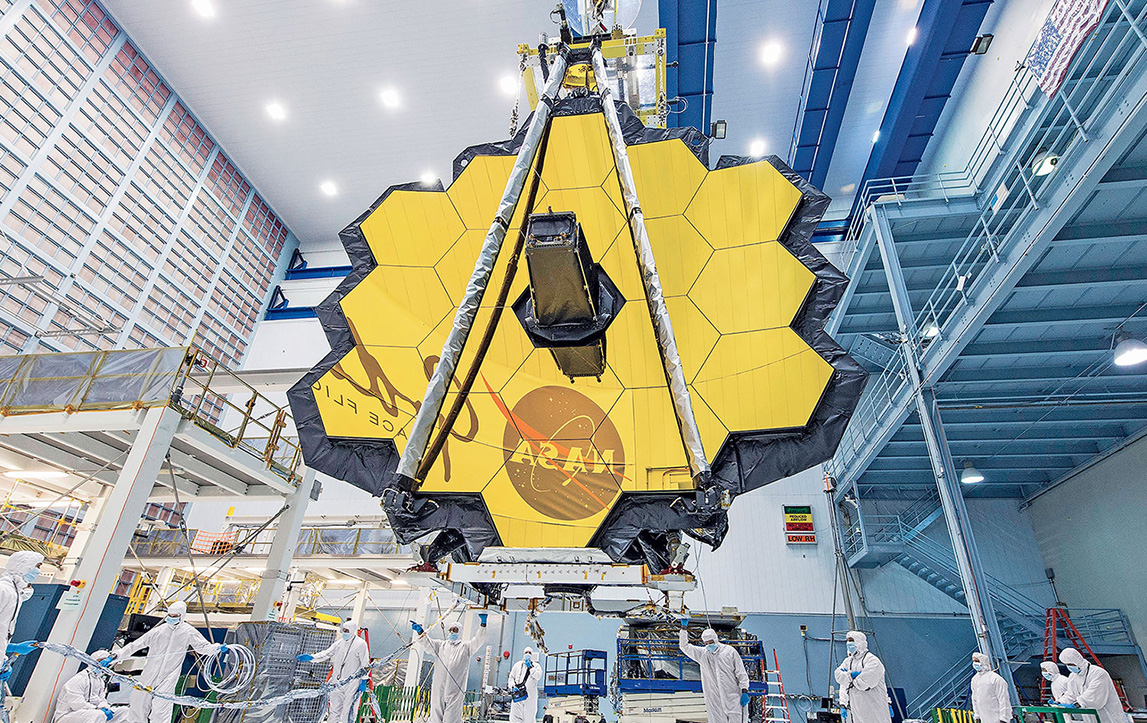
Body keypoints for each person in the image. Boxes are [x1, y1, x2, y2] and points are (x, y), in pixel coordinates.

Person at [112, 601, 224, 723]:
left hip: (169, 676)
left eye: (175, 616)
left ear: (182, 616)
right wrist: (116, 656)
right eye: (169, 615)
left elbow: (203, 647)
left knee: (161, 709)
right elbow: (135, 645)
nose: (171, 618)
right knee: (138, 703)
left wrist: (216, 648)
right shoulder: (159, 631)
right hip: (150, 672)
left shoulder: (188, 631)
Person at [413, 612, 488, 723]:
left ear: (460, 632)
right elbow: (427, 643)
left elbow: (478, 640)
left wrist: (483, 624)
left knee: (451, 719)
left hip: (455, 690)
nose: (452, 632)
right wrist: (420, 632)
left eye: (455, 630)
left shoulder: (466, 647)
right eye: (451, 629)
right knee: (435, 717)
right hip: (439, 687)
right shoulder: (440, 646)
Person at [297, 619, 370, 723]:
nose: (344, 632)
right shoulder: (339, 643)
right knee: (334, 710)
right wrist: (312, 657)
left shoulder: (361, 644)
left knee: (347, 712)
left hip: (352, 684)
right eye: (343, 630)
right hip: (337, 682)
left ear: (352, 630)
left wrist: (363, 680)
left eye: (346, 630)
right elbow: (326, 653)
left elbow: (365, 664)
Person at [678, 622, 749, 723]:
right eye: (706, 643)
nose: (708, 645)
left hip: (733, 700)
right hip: (715, 703)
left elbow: (741, 674)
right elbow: (684, 646)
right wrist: (683, 628)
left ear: (715, 639)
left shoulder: (729, 652)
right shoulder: (702, 654)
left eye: (710, 642)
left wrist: (744, 691)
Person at [1059, 648, 1130, 723]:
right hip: (1091, 719)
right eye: (1066, 664)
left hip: (1108, 717)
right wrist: (1059, 702)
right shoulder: (1073, 677)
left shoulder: (1098, 673)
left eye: (1070, 664)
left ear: (1077, 661)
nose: (1069, 667)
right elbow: (1071, 694)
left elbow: (1094, 695)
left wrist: (1077, 704)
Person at [833, 631, 890, 723]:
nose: (849, 644)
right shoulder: (848, 661)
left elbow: (864, 683)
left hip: (875, 710)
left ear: (859, 643)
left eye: (851, 641)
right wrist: (853, 675)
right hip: (857, 711)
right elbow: (838, 675)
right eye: (847, 641)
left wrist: (848, 678)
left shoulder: (872, 661)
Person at [0, 551, 44, 667]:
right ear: (24, 566)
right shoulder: (4, 590)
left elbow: (3, 633)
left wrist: (3, 658)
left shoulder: (14, 595)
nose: (39, 571)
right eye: (37, 566)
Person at [53, 650, 120, 723]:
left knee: (123, 712)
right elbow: (77, 704)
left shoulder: (100, 681)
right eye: (101, 661)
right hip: (67, 717)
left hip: (92, 713)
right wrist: (97, 709)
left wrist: (105, 707)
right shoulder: (80, 679)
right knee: (98, 715)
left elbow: (102, 699)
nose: (104, 665)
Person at [970, 652, 1011, 723]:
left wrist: (1003, 719)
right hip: (983, 719)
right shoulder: (975, 679)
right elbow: (975, 699)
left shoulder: (995, 679)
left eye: (977, 661)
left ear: (983, 662)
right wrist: (977, 716)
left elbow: (1003, 700)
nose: (975, 663)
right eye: (973, 661)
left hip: (997, 719)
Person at [508, 646, 543, 723]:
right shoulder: (517, 665)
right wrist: (513, 686)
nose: (528, 654)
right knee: (515, 717)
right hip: (518, 695)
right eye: (526, 652)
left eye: (529, 653)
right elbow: (511, 677)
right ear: (523, 654)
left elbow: (538, 676)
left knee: (529, 717)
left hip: (530, 697)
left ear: (532, 654)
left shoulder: (536, 666)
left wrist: (530, 667)